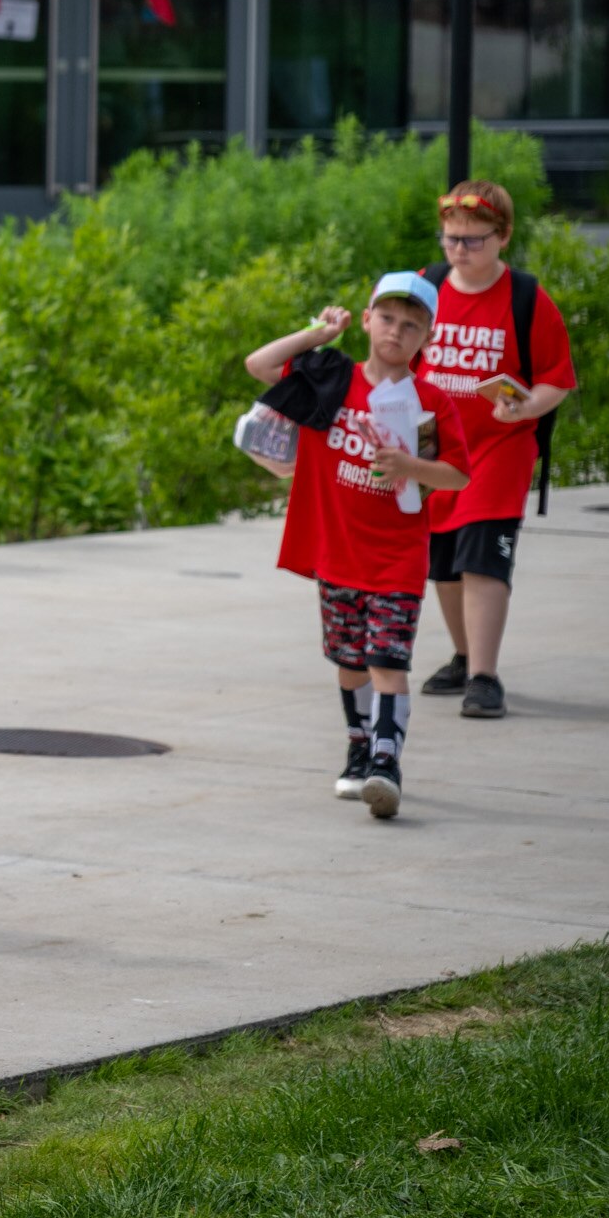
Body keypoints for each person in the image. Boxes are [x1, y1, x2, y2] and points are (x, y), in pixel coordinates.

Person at [246, 275, 472, 820]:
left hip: (396, 555)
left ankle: (387, 764)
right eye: (387, 319)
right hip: (337, 550)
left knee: (387, 661)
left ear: (427, 337)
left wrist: (411, 466)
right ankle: (359, 748)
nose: (397, 331)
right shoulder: (329, 378)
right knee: (349, 662)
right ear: (368, 319)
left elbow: (456, 475)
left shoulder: (427, 404)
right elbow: (259, 364)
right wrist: (316, 334)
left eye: (411, 325)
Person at [417, 180, 576, 720]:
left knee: (483, 556)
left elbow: (557, 378)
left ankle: (485, 677)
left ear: (503, 236)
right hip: (436, 448)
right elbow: (395, 344)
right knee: (443, 561)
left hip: (500, 448)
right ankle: (463, 656)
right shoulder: (426, 287)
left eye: (473, 240)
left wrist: (528, 407)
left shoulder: (528, 299)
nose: (459, 251)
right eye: (450, 239)